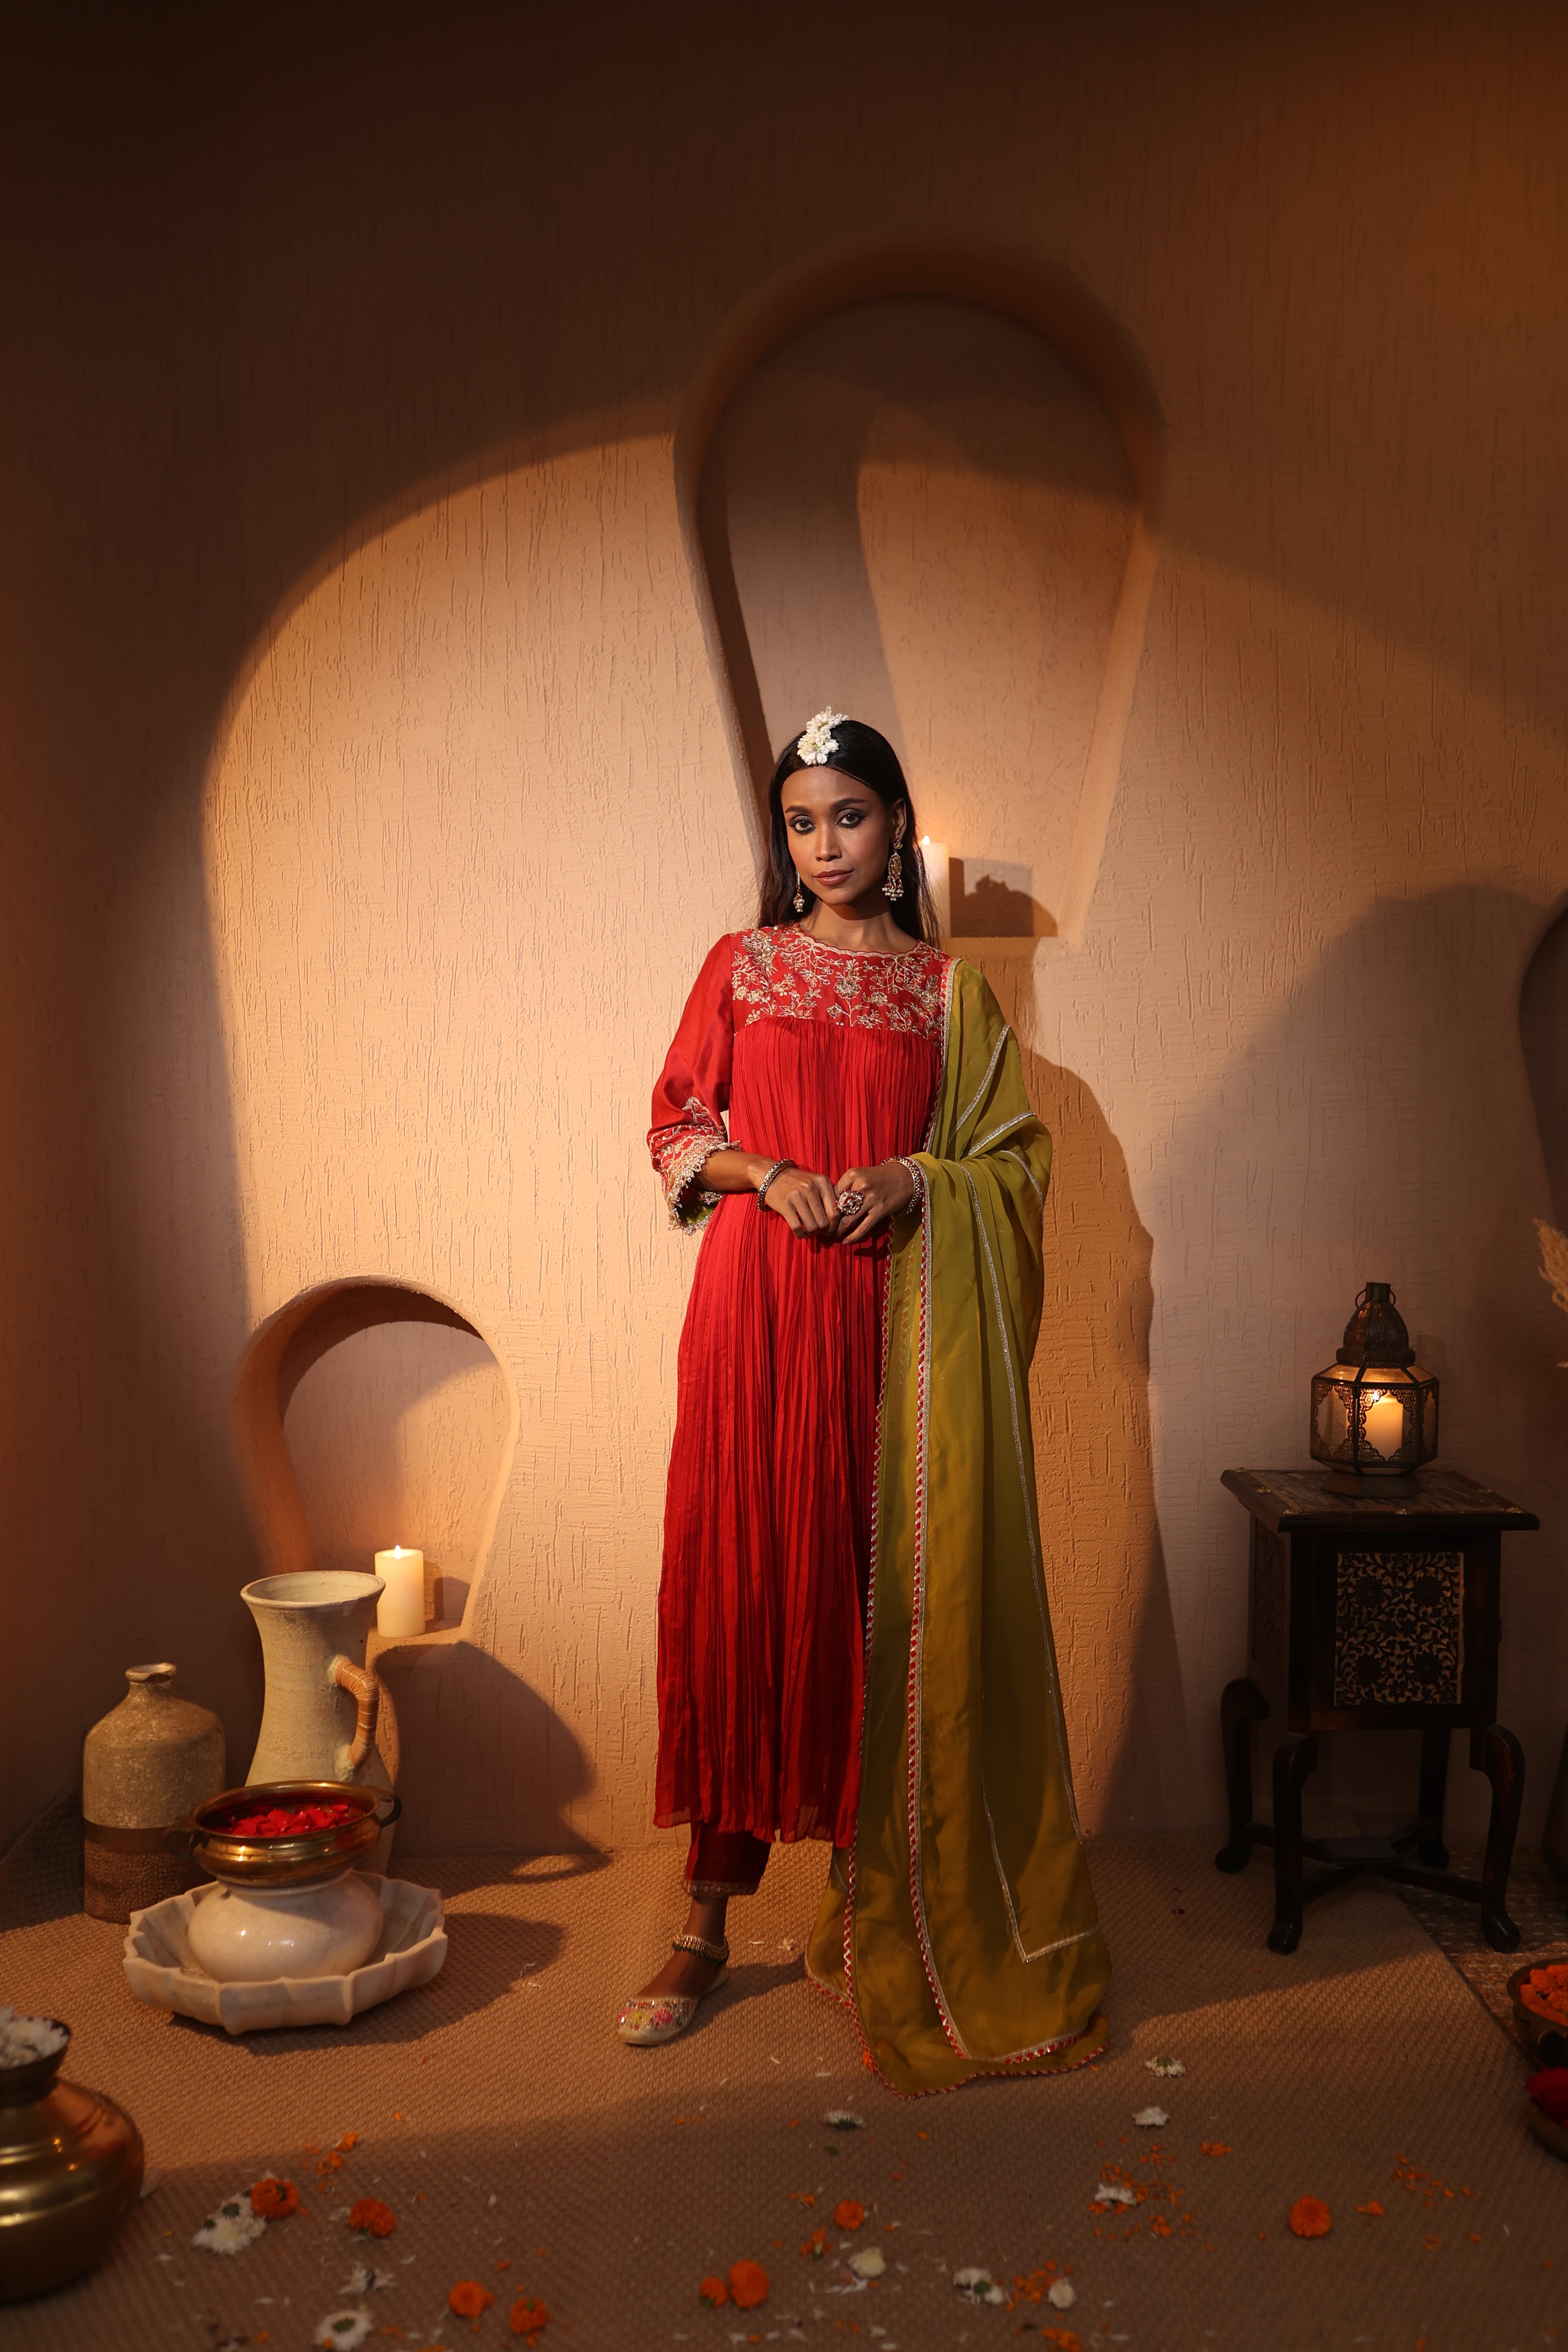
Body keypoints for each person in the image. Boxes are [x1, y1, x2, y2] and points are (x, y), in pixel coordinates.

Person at [618, 709, 1109, 2092]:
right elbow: (672, 1123)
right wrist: (765, 1176)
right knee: (743, 1597)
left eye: (849, 815)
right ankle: (706, 1923)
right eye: (800, 822)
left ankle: (869, 1904)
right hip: (757, 1319)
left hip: (893, 1333)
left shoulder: (954, 1001)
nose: (825, 844)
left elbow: (1010, 1164)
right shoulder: (744, 967)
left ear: (897, 829)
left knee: (868, 1598)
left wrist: (914, 1180)